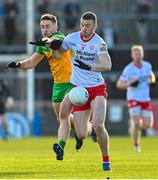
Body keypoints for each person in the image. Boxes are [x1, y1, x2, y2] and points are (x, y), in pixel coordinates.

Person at [7, 13, 94, 150]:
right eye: (42, 27)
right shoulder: (43, 45)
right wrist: (18, 64)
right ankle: (87, 129)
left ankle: (64, 145)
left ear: (56, 26)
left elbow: (54, 42)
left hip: (72, 83)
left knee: (66, 118)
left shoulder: (60, 37)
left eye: (48, 26)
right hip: (58, 85)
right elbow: (31, 62)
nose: (45, 29)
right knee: (62, 119)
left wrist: (46, 40)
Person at [50, 11, 112, 171]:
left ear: (95, 26)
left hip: (97, 88)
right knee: (82, 133)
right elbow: (57, 56)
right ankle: (88, 128)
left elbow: (107, 65)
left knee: (99, 126)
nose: (84, 29)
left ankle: (106, 161)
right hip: (79, 90)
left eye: (88, 26)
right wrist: (53, 47)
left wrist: (90, 66)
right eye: (82, 25)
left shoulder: (100, 43)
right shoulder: (71, 39)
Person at [117, 45, 156, 152]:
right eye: (136, 53)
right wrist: (130, 83)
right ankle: (136, 145)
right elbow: (119, 84)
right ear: (132, 55)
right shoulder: (129, 69)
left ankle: (135, 124)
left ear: (142, 54)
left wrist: (152, 80)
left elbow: (151, 75)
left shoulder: (147, 66)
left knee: (148, 125)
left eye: (139, 53)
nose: (138, 55)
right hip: (133, 98)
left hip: (145, 98)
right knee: (137, 123)